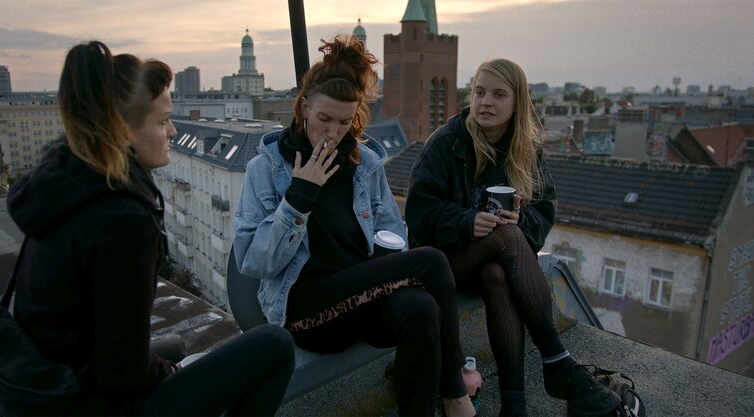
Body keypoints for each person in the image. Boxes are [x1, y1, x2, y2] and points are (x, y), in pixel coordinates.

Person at [7, 41, 294, 416]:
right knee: (273, 345)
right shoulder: (123, 219)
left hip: (46, 382)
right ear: (122, 131)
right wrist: (169, 373)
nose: (173, 131)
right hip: (88, 403)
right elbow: (122, 372)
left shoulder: (66, 180)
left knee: (173, 344)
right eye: (161, 121)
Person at [233, 35, 475, 417]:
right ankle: (455, 391)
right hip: (308, 311)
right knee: (429, 261)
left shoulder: (365, 165)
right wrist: (299, 198)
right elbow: (253, 261)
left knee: (419, 308)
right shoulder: (267, 168)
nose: (332, 133)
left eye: (344, 122)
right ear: (304, 107)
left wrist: (384, 260)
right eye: (323, 119)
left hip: (362, 295)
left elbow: (391, 235)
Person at [406, 58, 620, 416]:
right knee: (506, 235)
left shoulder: (526, 149)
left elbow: (544, 211)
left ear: (517, 102)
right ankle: (557, 360)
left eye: (498, 94)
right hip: (440, 267)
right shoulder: (446, 143)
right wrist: (464, 222)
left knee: (496, 274)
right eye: (479, 92)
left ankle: (514, 406)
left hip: (488, 263)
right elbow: (418, 215)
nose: (485, 102)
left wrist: (522, 218)